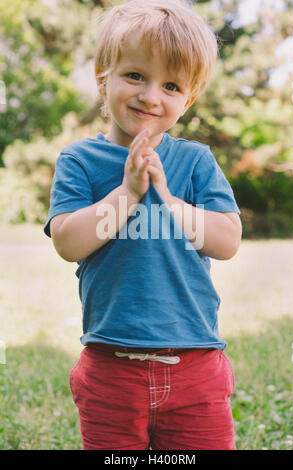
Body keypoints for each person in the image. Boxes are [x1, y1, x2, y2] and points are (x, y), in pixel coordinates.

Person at [44, 0, 242, 450]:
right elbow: (68, 242)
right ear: (103, 78)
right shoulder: (80, 160)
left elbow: (228, 240)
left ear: (187, 99)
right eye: (135, 75)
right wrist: (128, 193)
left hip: (194, 364)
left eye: (171, 85)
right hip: (110, 368)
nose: (151, 96)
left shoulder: (194, 161)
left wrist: (169, 200)